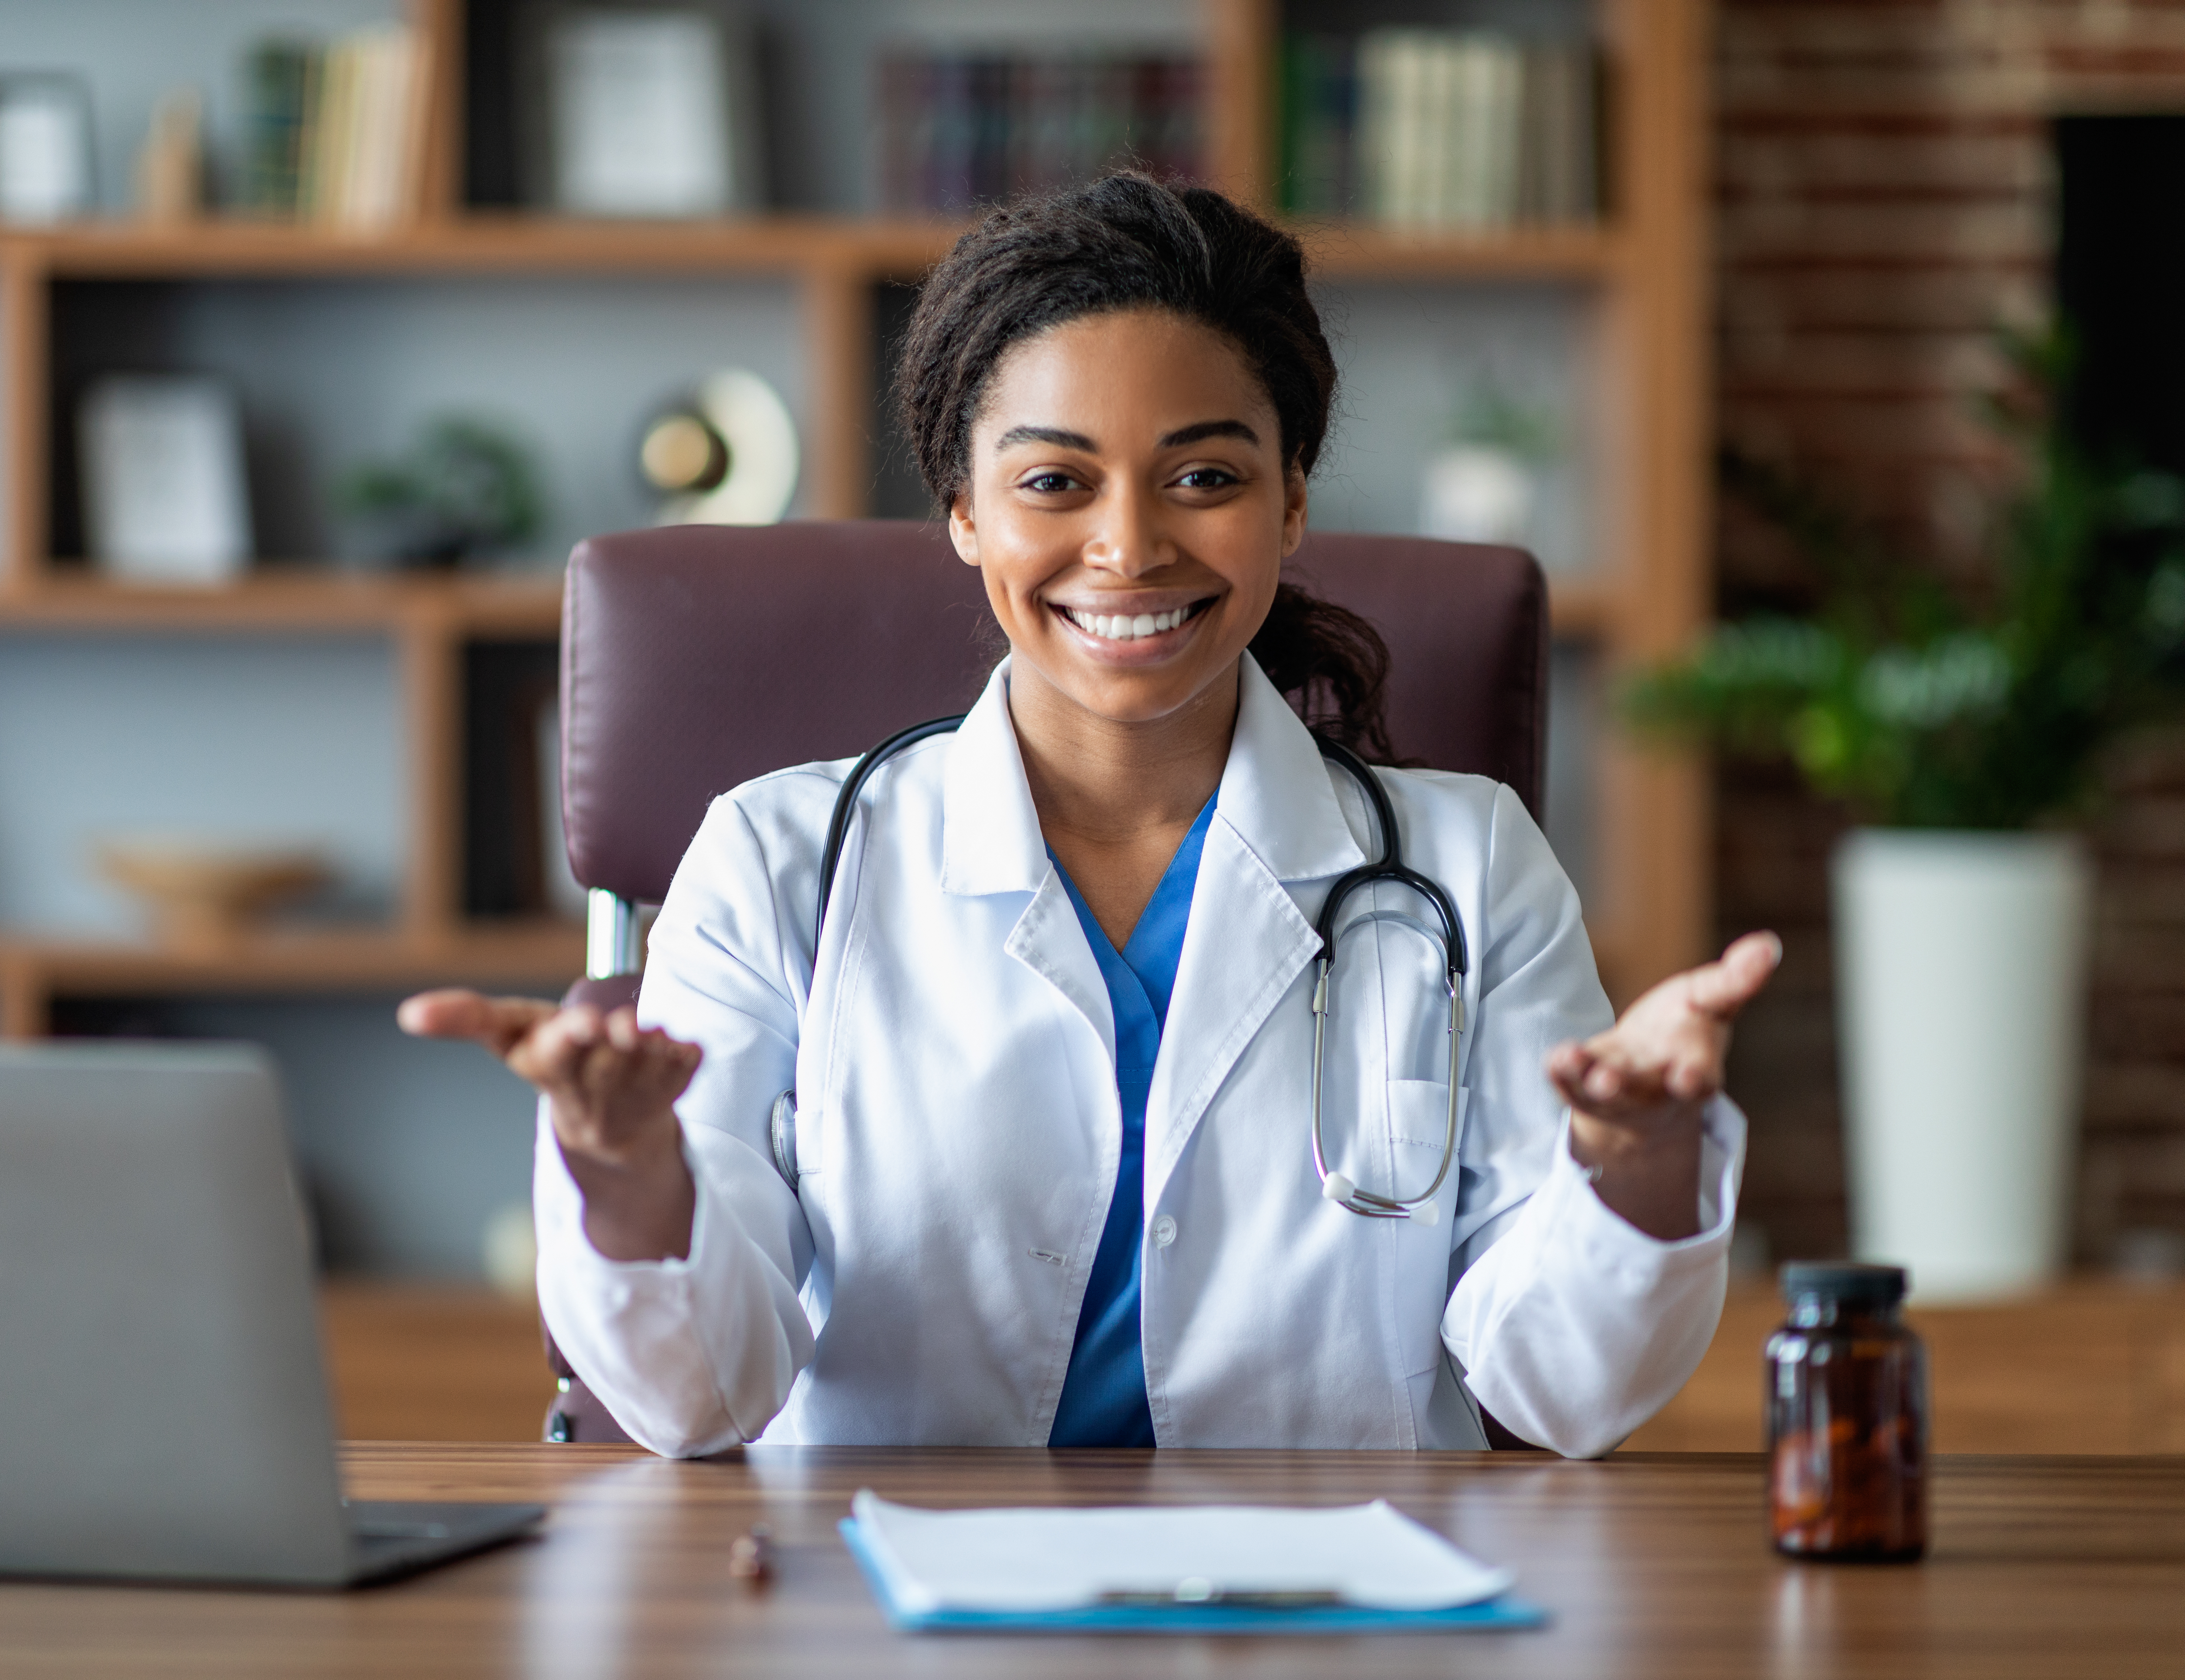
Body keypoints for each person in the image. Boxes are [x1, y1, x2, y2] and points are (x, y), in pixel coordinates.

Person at [402, 174, 1778, 1458]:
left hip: (1335, 1607)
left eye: (1206, 477)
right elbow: (699, 1399)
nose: (1129, 548)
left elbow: (1563, 1387)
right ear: (965, 516)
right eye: (1055, 482)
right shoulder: (780, 864)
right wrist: (630, 1175)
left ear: (1293, 501)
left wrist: (1636, 1174)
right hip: (879, 1606)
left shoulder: (1467, 868)